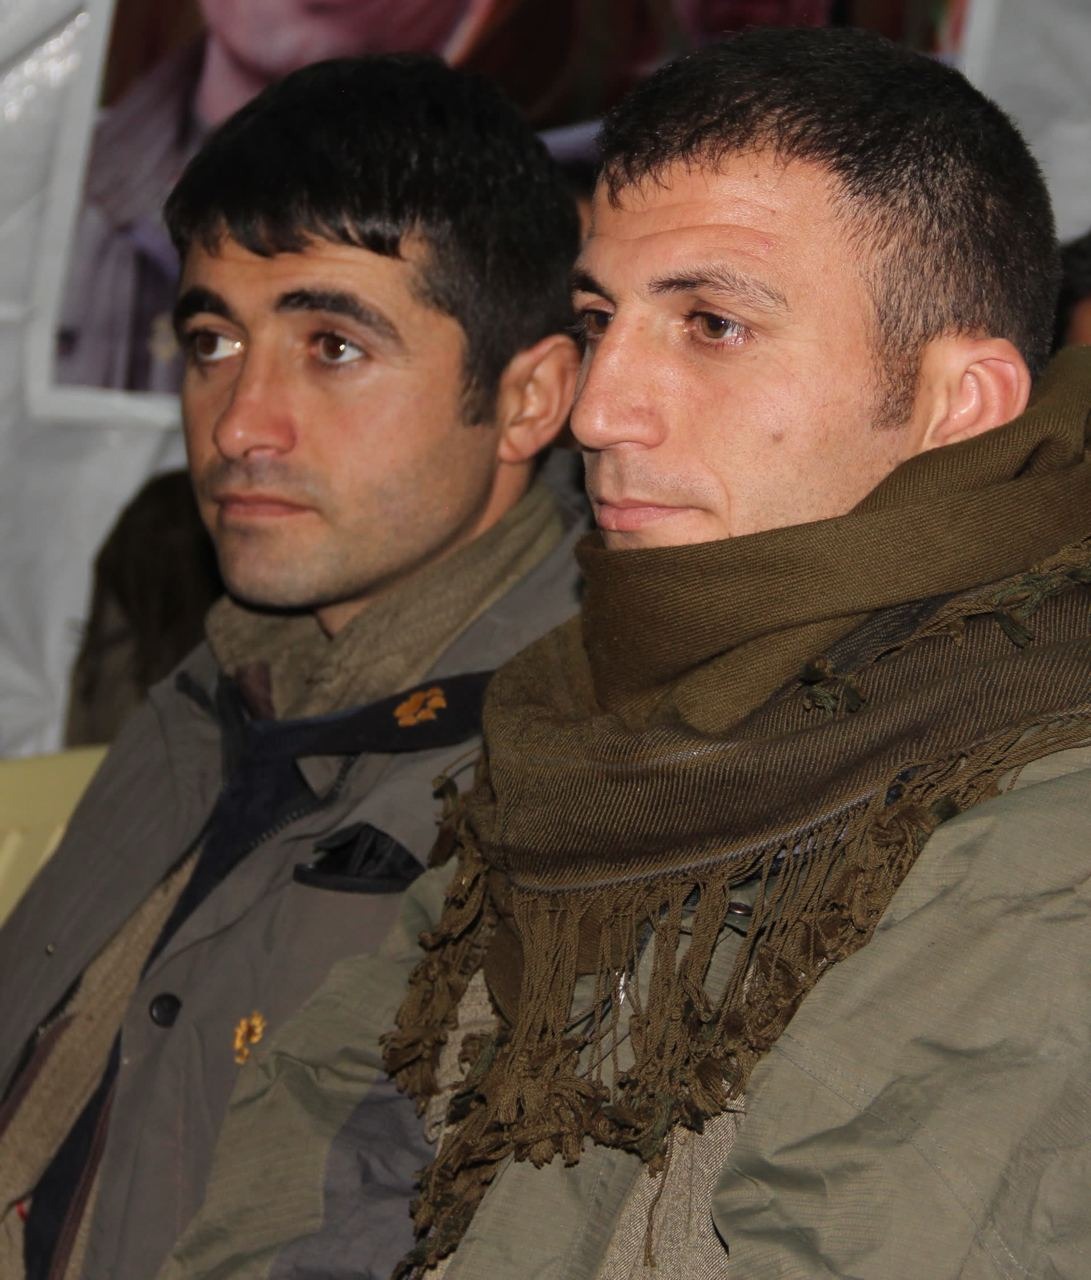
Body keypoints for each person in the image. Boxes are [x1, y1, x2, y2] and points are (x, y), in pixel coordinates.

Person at [160, 26, 1091, 1280]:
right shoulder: (576, 714)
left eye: (710, 324)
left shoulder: (1041, 825)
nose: (599, 409)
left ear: (955, 405)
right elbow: (321, 1158)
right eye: (599, 318)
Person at [0, 54, 582, 1280]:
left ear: (528, 396)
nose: (239, 421)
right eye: (213, 339)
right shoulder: (214, 692)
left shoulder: (580, 784)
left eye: (333, 345)